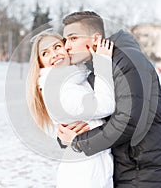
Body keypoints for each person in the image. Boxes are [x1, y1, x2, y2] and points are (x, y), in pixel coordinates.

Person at [57, 11, 161, 187]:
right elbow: (93, 114)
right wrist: (65, 134)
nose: (66, 46)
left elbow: (128, 121)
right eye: (65, 40)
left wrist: (79, 142)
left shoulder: (127, 60)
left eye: (73, 38)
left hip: (144, 170)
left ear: (96, 39)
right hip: (125, 167)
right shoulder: (99, 68)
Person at [27, 31, 115, 188]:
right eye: (45, 53)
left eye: (57, 46)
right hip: (84, 174)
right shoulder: (58, 88)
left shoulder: (74, 79)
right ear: (40, 63)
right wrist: (103, 61)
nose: (54, 54)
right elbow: (105, 105)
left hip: (90, 167)